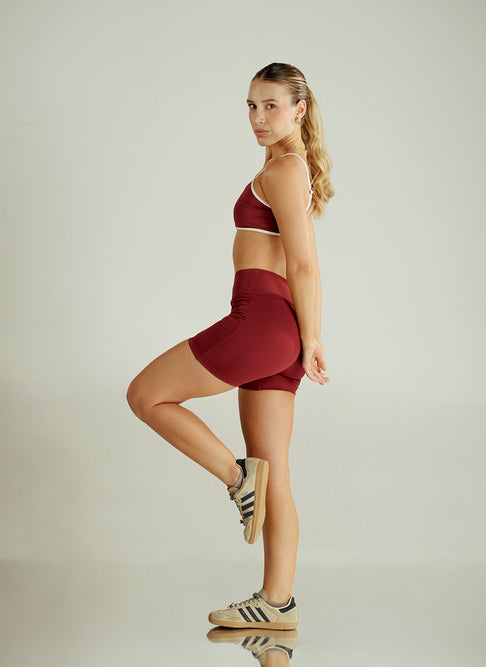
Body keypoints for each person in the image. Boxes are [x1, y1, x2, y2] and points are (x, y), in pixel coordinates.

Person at [126, 62, 334, 631]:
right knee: (277, 475)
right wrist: (305, 337)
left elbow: (305, 263)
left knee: (145, 395)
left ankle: (237, 478)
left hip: (263, 318)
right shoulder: (287, 167)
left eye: (271, 106)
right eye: (251, 106)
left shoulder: (285, 169)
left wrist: (313, 337)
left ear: (299, 109)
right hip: (280, 326)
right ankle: (277, 603)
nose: (258, 118)